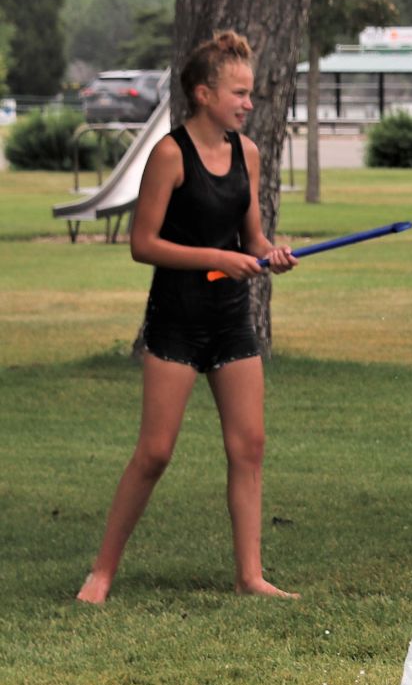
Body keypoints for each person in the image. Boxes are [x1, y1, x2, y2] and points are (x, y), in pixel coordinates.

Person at [76, 31, 297, 604]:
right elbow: (143, 244)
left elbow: (251, 238)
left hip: (232, 321)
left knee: (249, 446)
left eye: (250, 94)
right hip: (176, 321)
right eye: (240, 93)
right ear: (204, 93)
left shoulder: (247, 153)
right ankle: (101, 573)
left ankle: (250, 575)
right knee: (155, 453)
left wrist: (269, 253)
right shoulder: (170, 155)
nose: (249, 103)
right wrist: (217, 258)